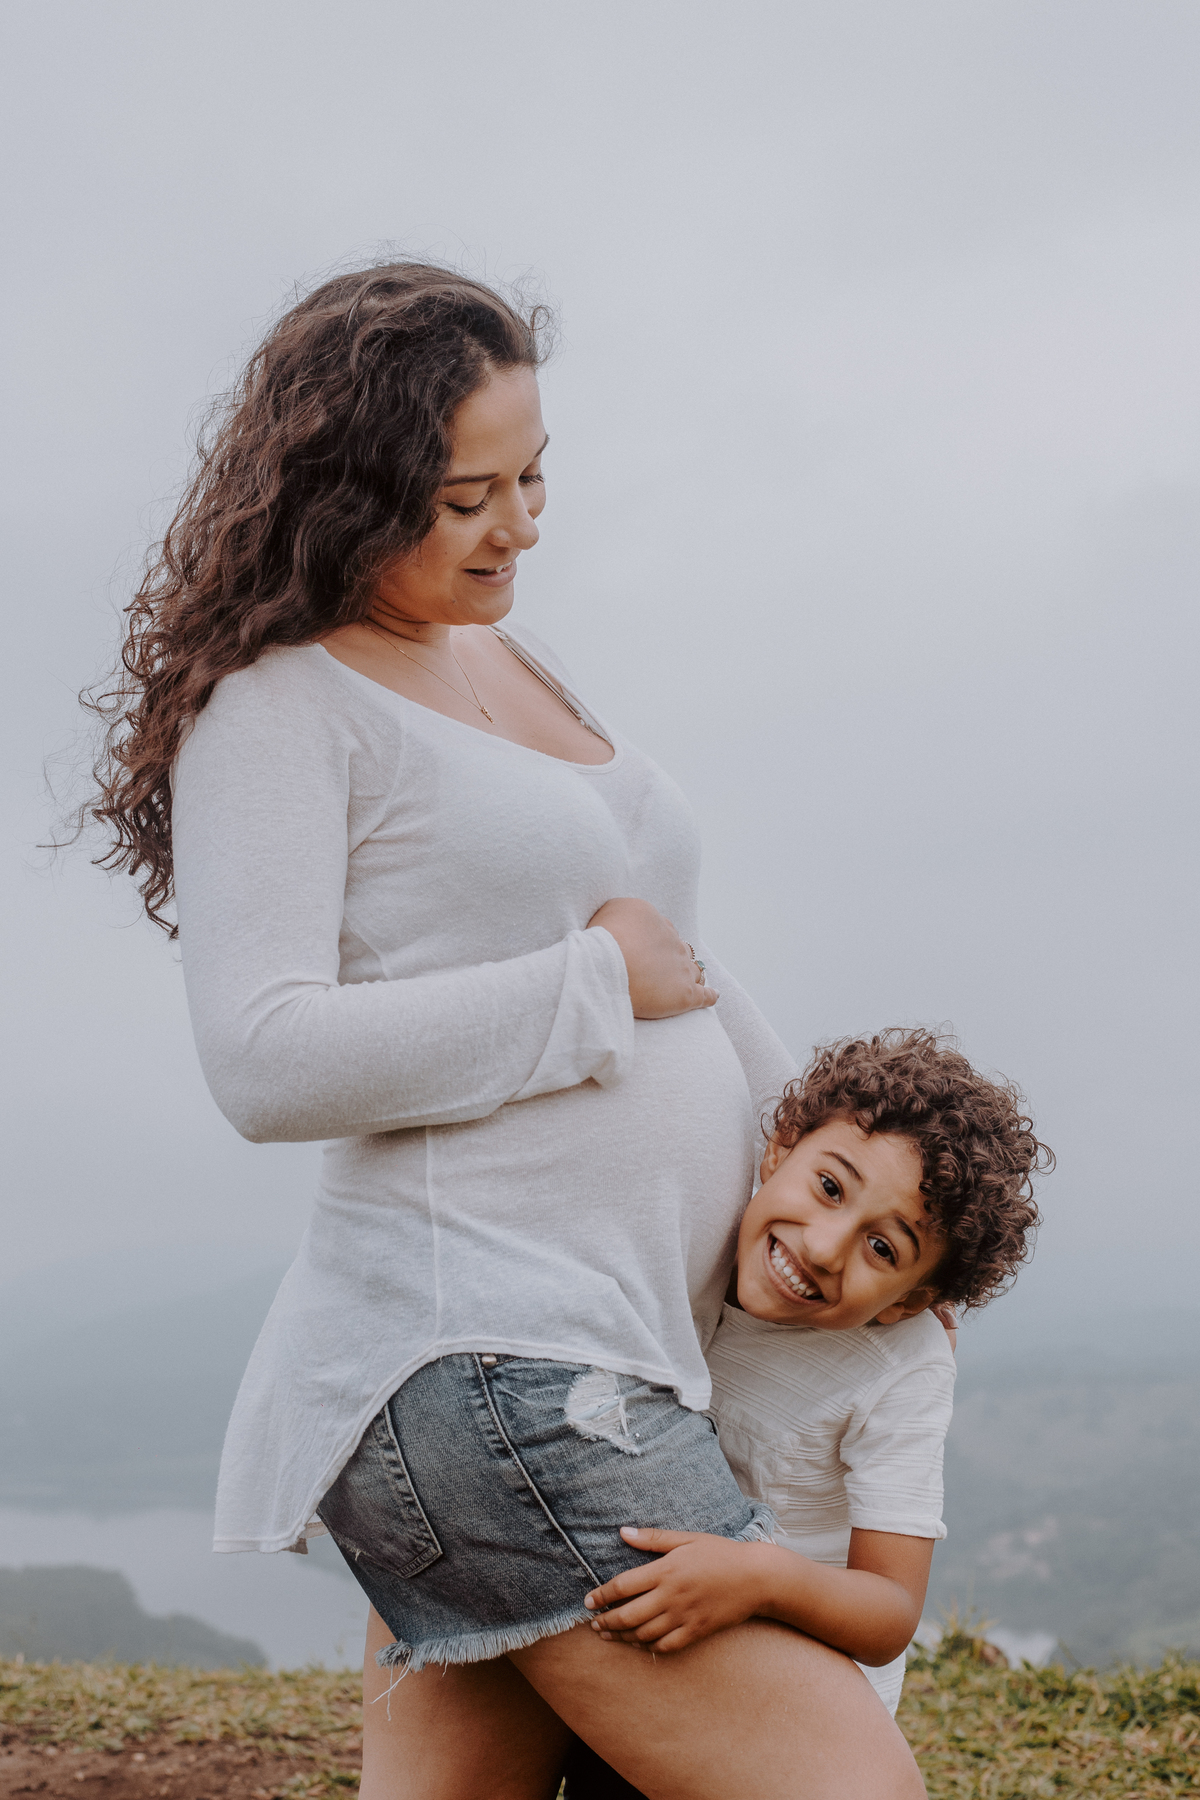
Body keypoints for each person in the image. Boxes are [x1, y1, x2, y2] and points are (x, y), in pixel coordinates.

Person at [87, 261, 927, 1799]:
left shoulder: (506, 656)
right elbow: (263, 1059)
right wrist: (587, 984)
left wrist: (880, 1192)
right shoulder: (281, 707)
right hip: (488, 1349)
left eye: (533, 476)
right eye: (467, 496)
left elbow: (682, 965)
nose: (520, 525)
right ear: (346, 494)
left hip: (604, 1346)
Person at [563, 1029, 1050, 1799]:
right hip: (650, 1636)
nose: (824, 1248)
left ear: (911, 1301)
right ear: (779, 1147)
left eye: (883, 1250)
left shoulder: (902, 1363)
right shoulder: (693, 1243)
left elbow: (891, 1610)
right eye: (829, 1187)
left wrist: (760, 1580)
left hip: (788, 1716)